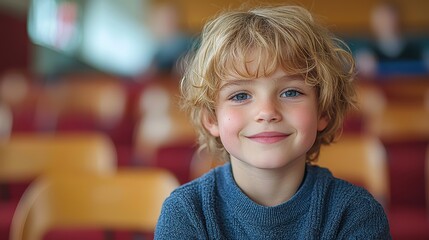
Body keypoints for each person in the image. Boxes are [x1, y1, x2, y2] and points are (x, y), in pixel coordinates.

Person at [155, 5, 391, 239]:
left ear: (323, 111)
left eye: (290, 92)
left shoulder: (356, 214)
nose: (267, 112)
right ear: (211, 118)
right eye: (240, 96)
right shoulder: (185, 213)